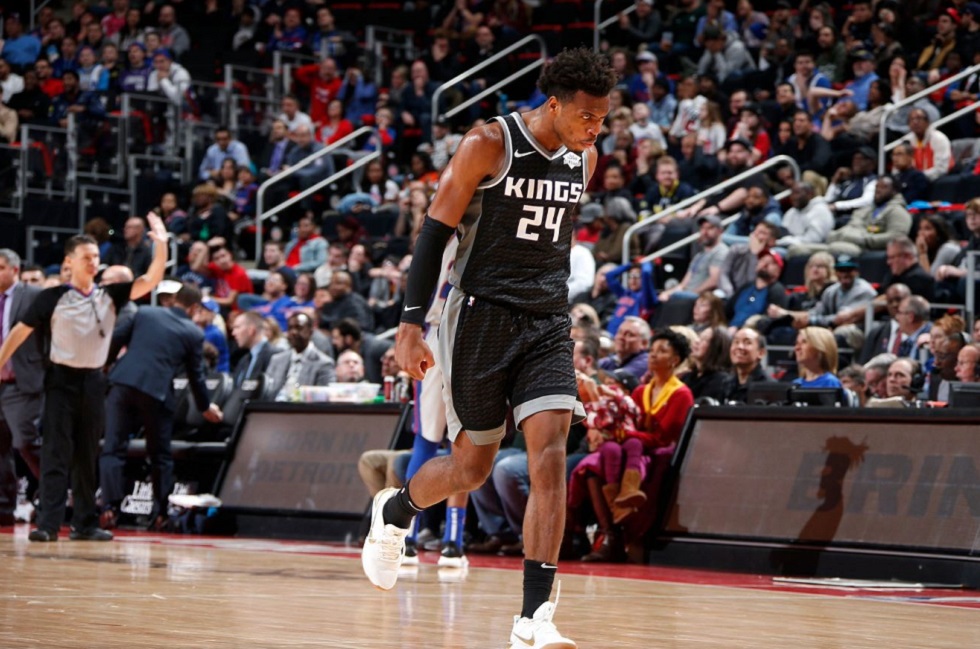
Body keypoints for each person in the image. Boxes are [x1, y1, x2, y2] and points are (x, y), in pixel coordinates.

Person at [364, 48, 617, 648]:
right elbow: (434, 232)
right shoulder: (489, 143)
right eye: (586, 116)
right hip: (480, 315)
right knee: (471, 468)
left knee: (548, 453)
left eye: (603, 119)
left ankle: (533, 618)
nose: (595, 129)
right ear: (553, 104)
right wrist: (410, 324)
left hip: (547, 321)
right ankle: (395, 512)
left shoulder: (584, 158)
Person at [0, 213, 169, 542]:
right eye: (86, 257)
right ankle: (48, 524)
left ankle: (85, 523)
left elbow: (151, 280)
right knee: (55, 452)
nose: (93, 262)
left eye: (95, 257)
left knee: (87, 453)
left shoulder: (110, 294)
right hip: (60, 380)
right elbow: (18, 332)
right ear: (69, 261)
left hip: (94, 380)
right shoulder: (52, 297)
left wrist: (161, 245)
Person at [99, 284, 223, 530]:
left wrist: (106, 365)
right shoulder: (193, 332)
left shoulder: (145, 313)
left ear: (174, 300)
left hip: (123, 383)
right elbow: (196, 376)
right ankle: (160, 512)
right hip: (155, 392)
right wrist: (205, 407)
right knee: (160, 455)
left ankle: (109, 507)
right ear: (194, 307)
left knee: (112, 448)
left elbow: (115, 340)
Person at [0, 249, 43, 528]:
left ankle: (57, 493)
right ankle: (4, 507)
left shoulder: (33, 295)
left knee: (25, 442)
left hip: (23, 381)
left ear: (14, 270)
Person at [265, 312, 336, 401]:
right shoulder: (276, 359)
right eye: (290, 328)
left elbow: (324, 399)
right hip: (273, 408)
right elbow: (266, 393)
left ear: (311, 332)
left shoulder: (324, 363)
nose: (293, 332)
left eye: (299, 328)